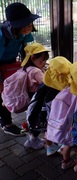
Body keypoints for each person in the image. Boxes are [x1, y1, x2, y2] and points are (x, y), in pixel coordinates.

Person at [0, 2, 40, 136]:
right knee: (2, 94)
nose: (29, 27)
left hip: (10, 64)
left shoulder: (23, 33)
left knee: (9, 90)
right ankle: (7, 124)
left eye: (30, 24)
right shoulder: (1, 35)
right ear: (16, 25)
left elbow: (25, 49)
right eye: (26, 24)